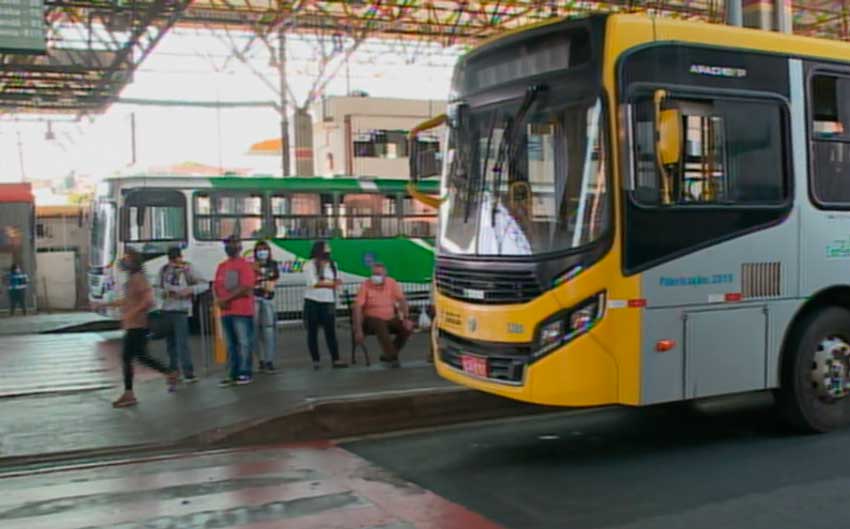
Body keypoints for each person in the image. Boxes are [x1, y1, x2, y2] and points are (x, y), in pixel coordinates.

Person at [93, 249, 177, 408]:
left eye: (127, 258)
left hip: (137, 325)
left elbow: (148, 301)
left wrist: (132, 313)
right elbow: (127, 300)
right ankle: (169, 373)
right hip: (133, 325)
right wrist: (105, 304)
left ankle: (129, 394)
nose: (124, 261)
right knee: (141, 357)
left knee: (128, 357)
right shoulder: (132, 279)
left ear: (134, 262)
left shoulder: (139, 279)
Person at [353, 263, 414, 368]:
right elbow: (357, 307)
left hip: (390, 317)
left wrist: (406, 318)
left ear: (385, 274)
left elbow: (402, 300)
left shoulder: (391, 283)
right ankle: (393, 357)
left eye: (378, 274)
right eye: (373, 274)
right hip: (371, 319)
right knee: (379, 323)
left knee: (407, 327)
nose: (375, 276)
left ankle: (389, 354)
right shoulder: (365, 285)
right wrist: (358, 329)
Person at [214, 236, 256, 386]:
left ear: (239, 246)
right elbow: (217, 286)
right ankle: (233, 373)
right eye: (227, 244)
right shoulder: (222, 266)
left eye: (233, 244)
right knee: (231, 344)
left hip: (242, 311)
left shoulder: (245, 265)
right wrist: (220, 300)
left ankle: (245, 373)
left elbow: (246, 287)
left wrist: (226, 299)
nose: (229, 247)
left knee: (244, 342)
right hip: (226, 312)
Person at [158, 247, 201, 383]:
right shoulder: (164, 270)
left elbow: (203, 284)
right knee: (170, 344)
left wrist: (189, 290)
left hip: (181, 310)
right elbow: (157, 287)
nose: (175, 261)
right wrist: (163, 293)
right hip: (167, 309)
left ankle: (188, 373)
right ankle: (173, 372)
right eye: (172, 258)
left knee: (182, 343)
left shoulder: (188, 268)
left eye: (177, 258)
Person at [303, 241, 347, 370]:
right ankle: (316, 360)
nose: (328, 251)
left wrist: (330, 283)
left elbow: (337, 282)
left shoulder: (333, 265)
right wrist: (330, 283)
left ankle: (336, 358)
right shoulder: (309, 265)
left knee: (331, 332)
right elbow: (313, 283)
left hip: (328, 302)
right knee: (312, 332)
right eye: (326, 248)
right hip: (312, 301)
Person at [253, 240, 280, 373]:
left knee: (269, 330)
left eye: (264, 249)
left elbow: (274, 279)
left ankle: (269, 360)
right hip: (255, 299)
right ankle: (261, 360)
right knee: (256, 331)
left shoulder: (273, 264)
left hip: (268, 299)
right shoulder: (252, 265)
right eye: (259, 250)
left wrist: (263, 277)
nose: (262, 252)